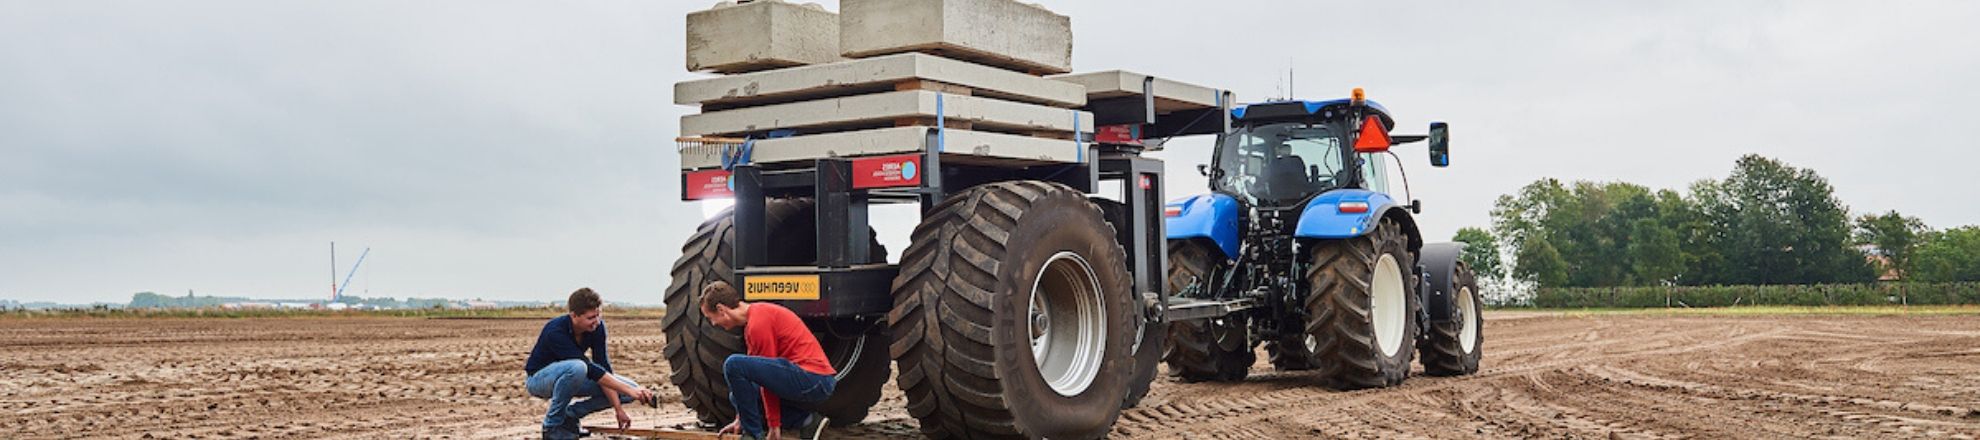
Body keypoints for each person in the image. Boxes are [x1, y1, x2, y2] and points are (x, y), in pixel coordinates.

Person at [700, 281, 833, 440]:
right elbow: (758, 377)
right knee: (738, 395)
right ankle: (808, 422)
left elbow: (766, 383)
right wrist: (740, 418)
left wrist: (774, 426)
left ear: (721, 310)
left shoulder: (759, 322)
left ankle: (752, 435)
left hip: (815, 379)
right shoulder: (752, 323)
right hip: (806, 379)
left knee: (733, 364)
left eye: (711, 318)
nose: (714, 323)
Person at [524, 288, 655, 440]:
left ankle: (569, 416)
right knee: (578, 367)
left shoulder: (597, 328)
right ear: (574, 315)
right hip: (539, 380)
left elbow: (603, 369)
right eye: (591, 317)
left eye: (599, 315)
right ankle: (552, 426)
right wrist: (630, 390)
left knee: (628, 389)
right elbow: (591, 370)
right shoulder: (555, 331)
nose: (597, 321)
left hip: (572, 377)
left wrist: (619, 409)